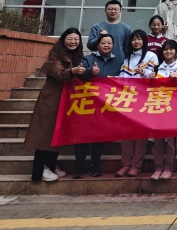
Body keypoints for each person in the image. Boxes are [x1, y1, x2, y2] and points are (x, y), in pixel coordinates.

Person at [25, 28, 84, 183]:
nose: (73, 42)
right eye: (70, 39)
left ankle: (51, 165)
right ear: (63, 40)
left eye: (76, 39)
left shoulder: (77, 56)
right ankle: (41, 169)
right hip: (51, 99)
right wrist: (73, 71)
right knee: (44, 135)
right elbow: (59, 73)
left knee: (57, 134)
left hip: (65, 100)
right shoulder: (55, 55)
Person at [74, 33, 124, 178]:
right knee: (82, 136)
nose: (106, 45)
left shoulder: (119, 61)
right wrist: (91, 72)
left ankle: (94, 166)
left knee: (99, 137)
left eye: (109, 43)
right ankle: (78, 168)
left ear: (113, 45)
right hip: (87, 104)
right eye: (103, 43)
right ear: (97, 45)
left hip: (105, 105)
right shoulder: (88, 59)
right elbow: (79, 73)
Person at [115, 30, 158, 178]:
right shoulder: (127, 58)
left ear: (144, 41)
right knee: (126, 134)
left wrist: (144, 73)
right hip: (128, 100)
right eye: (134, 39)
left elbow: (155, 77)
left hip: (143, 99)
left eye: (139, 39)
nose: (136, 42)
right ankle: (125, 164)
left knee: (140, 135)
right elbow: (122, 77)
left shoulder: (151, 56)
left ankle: (136, 165)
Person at [151, 39, 177, 180]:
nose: (168, 51)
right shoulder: (156, 69)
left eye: (171, 49)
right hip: (158, 108)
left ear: (176, 51)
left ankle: (168, 168)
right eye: (166, 49)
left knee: (171, 142)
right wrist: (150, 80)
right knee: (158, 142)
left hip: (174, 109)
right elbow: (150, 90)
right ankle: (158, 168)